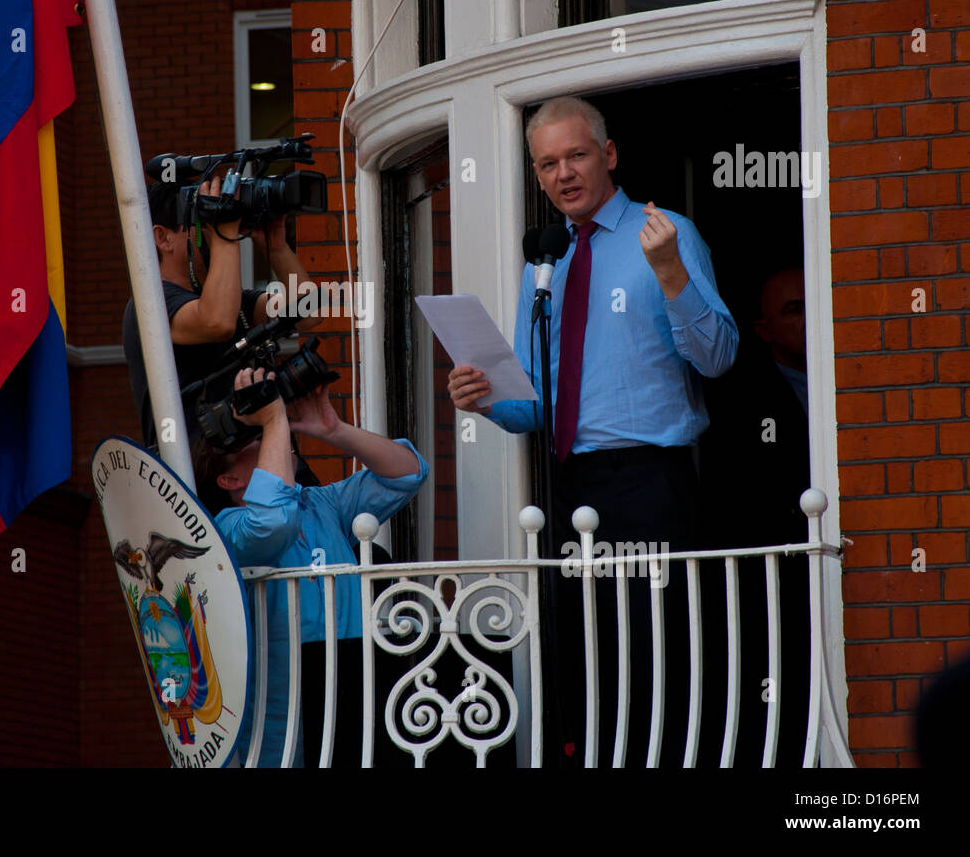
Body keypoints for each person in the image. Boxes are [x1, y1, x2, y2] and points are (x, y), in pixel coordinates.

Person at [447, 95, 739, 766]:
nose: (563, 174)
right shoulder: (544, 263)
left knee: (659, 657)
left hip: (651, 482)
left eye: (576, 155)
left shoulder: (664, 233)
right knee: (587, 661)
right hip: (568, 486)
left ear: (608, 156)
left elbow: (719, 357)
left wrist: (669, 274)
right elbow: (534, 407)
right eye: (547, 163)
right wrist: (485, 399)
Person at [193, 368, 428, 767]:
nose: (278, 441)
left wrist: (333, 430)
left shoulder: (322, 504)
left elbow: (407, 472)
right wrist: (272, 419)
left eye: (276, 434)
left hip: (354, 692)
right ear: (229, 478)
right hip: (284, 724)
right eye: (259, 443)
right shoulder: (225, 530)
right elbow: (272, 522)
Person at [698, 267, 811, 765]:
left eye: (813, 303)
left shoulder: (853, 378)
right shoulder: (744, 400)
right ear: (763, 329)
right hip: (775, 580)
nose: (809, 319)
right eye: (792, 310)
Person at [122, 177, 318, 448]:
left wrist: (276, 248)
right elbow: (217, 322)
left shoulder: (231, 303)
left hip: (251, 470)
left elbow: (307, 312)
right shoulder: (150, 305)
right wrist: (226, 230)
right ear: (163, 238)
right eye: (203, 222)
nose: (214, 230)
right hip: (193, 478)